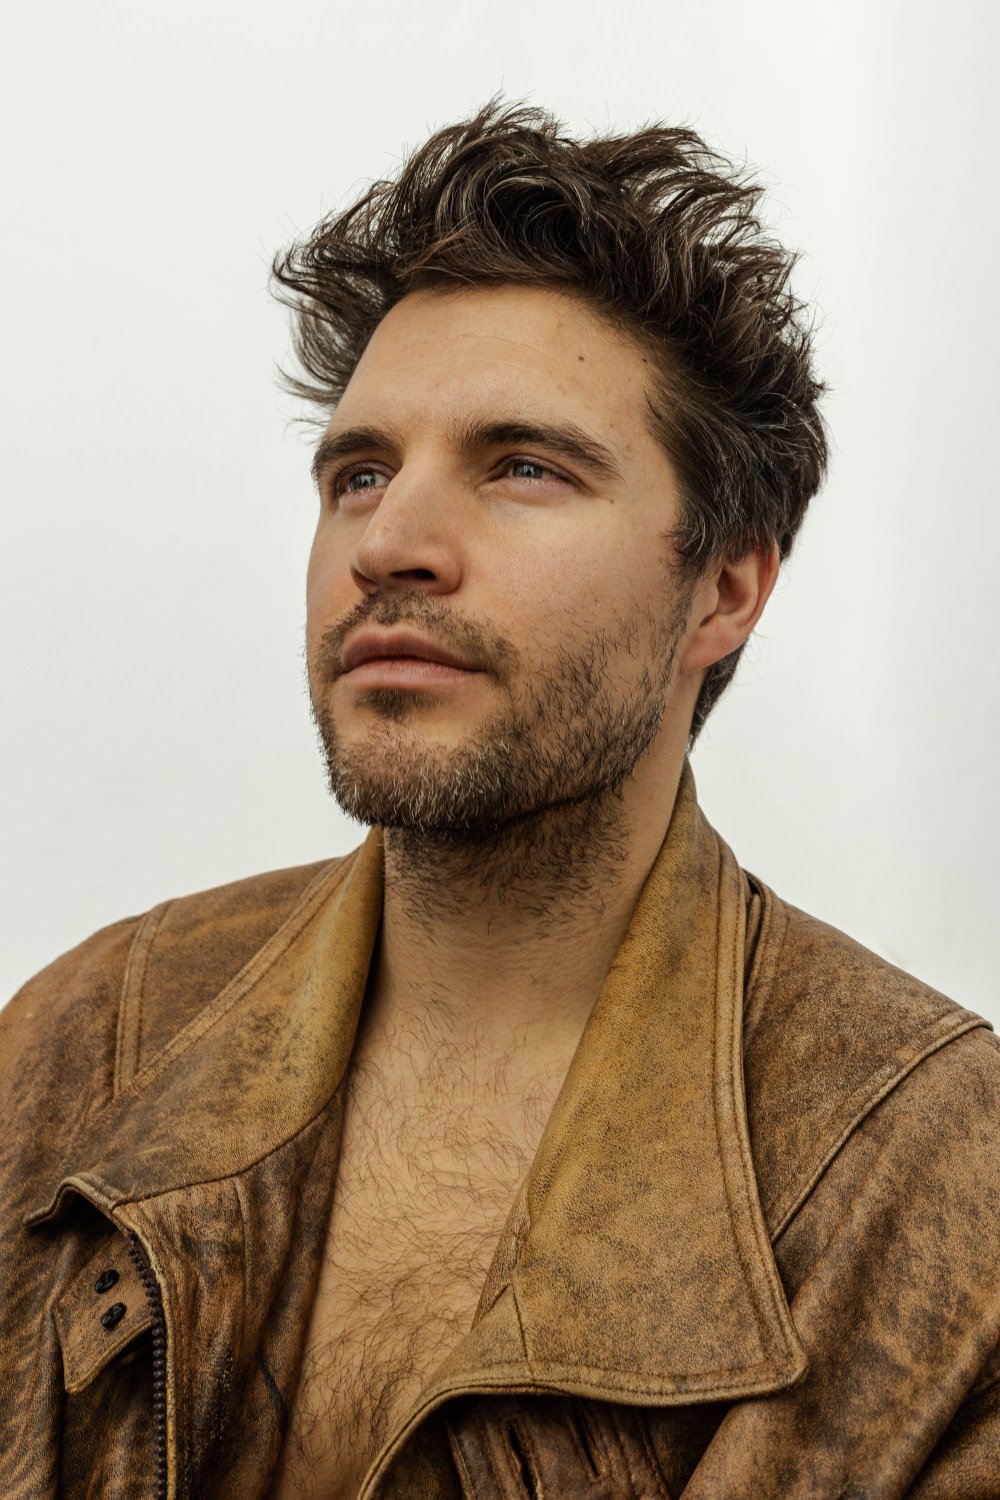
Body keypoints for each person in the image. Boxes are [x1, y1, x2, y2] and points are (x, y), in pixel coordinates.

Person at [1, 98, 998, 1500]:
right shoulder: (84, 1039)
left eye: (523, 467)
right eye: (359, 474)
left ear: (725, 588)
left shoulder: (939, 1182)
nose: (389, 543)